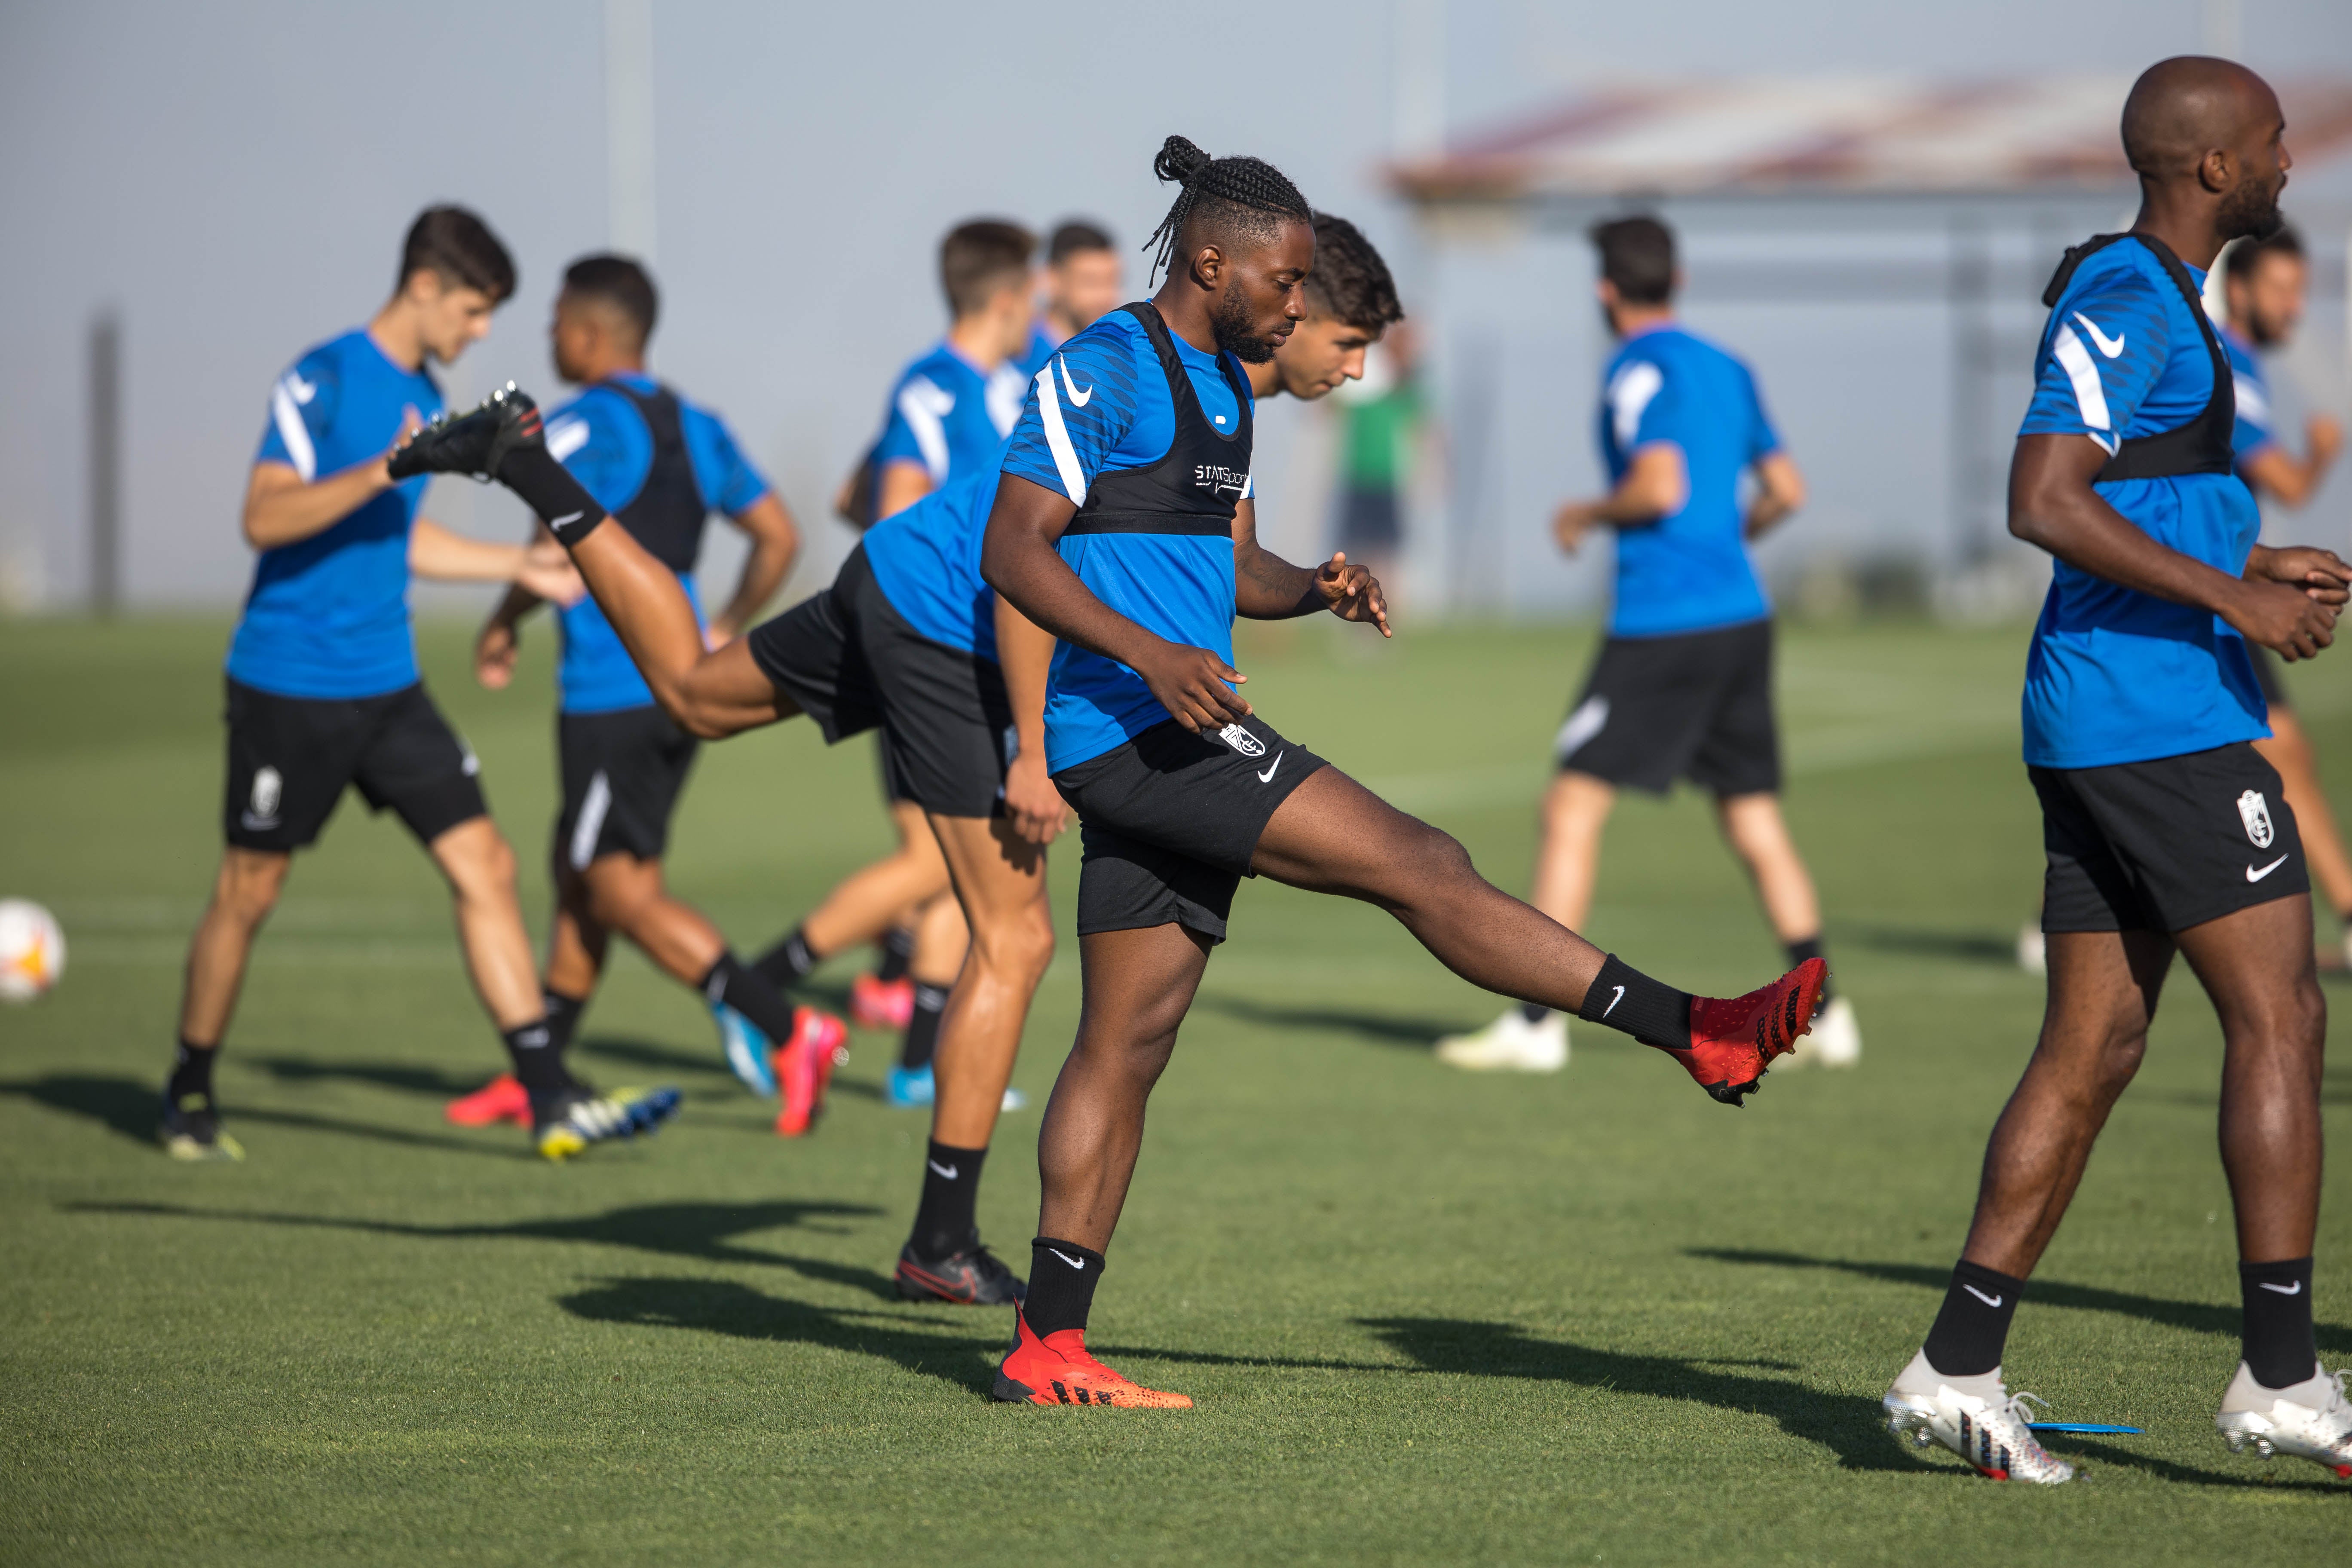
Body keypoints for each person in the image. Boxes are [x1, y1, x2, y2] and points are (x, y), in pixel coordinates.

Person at [977, 135, 1827, 1408]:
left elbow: (1231, 570)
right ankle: (1695, 1030)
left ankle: (1047, 1344)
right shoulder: (1104, 366)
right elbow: (1014, 550)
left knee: (1128, 1039)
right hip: (1138, 731)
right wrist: (1150, 655)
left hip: (1169, 717)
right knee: (1422, 863)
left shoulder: (1222, 391)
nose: (1296, 304)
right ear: (1209, 264)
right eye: (1283, 281)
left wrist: (1312, 587)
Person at [1880, 58, 2350, 1485]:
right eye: (2271, 143)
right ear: (2211, 167)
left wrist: (2255, 555)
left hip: (2113, 715)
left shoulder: (2166, 300)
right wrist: (2239, 603)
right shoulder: (2131, 295)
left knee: (2094, 1050)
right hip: (2158, 723)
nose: (2287, 163)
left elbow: (2135, 491)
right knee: (2285, 1015)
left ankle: (1956, 1366)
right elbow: (2043, 499)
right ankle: (2282, 1376)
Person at [161, 207, 678, 1164]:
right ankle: (188, 1089)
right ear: (426, 285)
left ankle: (549, 1095)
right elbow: (265, 517)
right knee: (250, 889)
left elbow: (398, 537)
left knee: (487, 864)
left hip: (389, 683)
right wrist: (387, 466)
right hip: (290, 681)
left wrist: (514, 568)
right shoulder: (322, 377)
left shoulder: (425, 391)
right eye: (473, 310)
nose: (480, 332)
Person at [1433, 215, 1859, 1076]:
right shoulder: (1728, 367)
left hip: (1662, 626)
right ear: (1679, 279)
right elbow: (1787, 489)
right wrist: (1729, 543)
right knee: (1753, 819)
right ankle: (1830, 1012)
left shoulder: (1636, 368)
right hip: (1741, 618)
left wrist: (1586, 512)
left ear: (1605, 291)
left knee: (1570, 808)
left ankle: (1536, 1023)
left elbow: (1659, 486)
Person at [441, 254, 847, 1139]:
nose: (549, 336)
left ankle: (788, 1027)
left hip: (610, 692)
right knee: (583, 877)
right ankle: (541, 1068)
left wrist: (503, 620)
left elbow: (554, 541)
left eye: (556, 321)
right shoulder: (700, 425)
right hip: (677, 681)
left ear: (590, 333)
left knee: (609, 887)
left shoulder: (581, 423)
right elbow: (778, 535)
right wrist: (724, 625)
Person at [777, 220, 1044, 1108]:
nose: (1040, 309)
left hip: (981, 651)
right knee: (940, 862)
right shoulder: (933, 387)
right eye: (1034, 293)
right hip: (929, 648)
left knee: (956, 868)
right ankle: (762, 988)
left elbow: (847, 493)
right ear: (1005, 298)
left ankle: (919, 1063)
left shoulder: (1011, 385)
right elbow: (889, 509)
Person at [2223, 227, 2352, 962]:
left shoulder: (2240, 365)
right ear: (2239, 289)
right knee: (2280, 753)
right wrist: (2323, 453)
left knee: (2279, 754)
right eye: (2281, 290)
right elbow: (2287, 484)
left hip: (2223, 588)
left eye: (2299, 291)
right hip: (2211, 593)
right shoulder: (2228, 368)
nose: (2293, 307)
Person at [1329, 316, 1425, 589]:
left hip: (1388, 477)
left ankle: (1385, 601)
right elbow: (1330, 406)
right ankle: (1358, 599)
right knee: (1357, 545)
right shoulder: (1363, 382)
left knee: (1387, 548)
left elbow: (1421, 426)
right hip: (1358, 474)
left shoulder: (1404, 388)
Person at [1032, 220, 1124, 355]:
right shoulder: (1018, 354)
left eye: (1113, 282)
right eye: (1091, 283)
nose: (1105, 297)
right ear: (1052, 279)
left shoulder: (1119, 356)